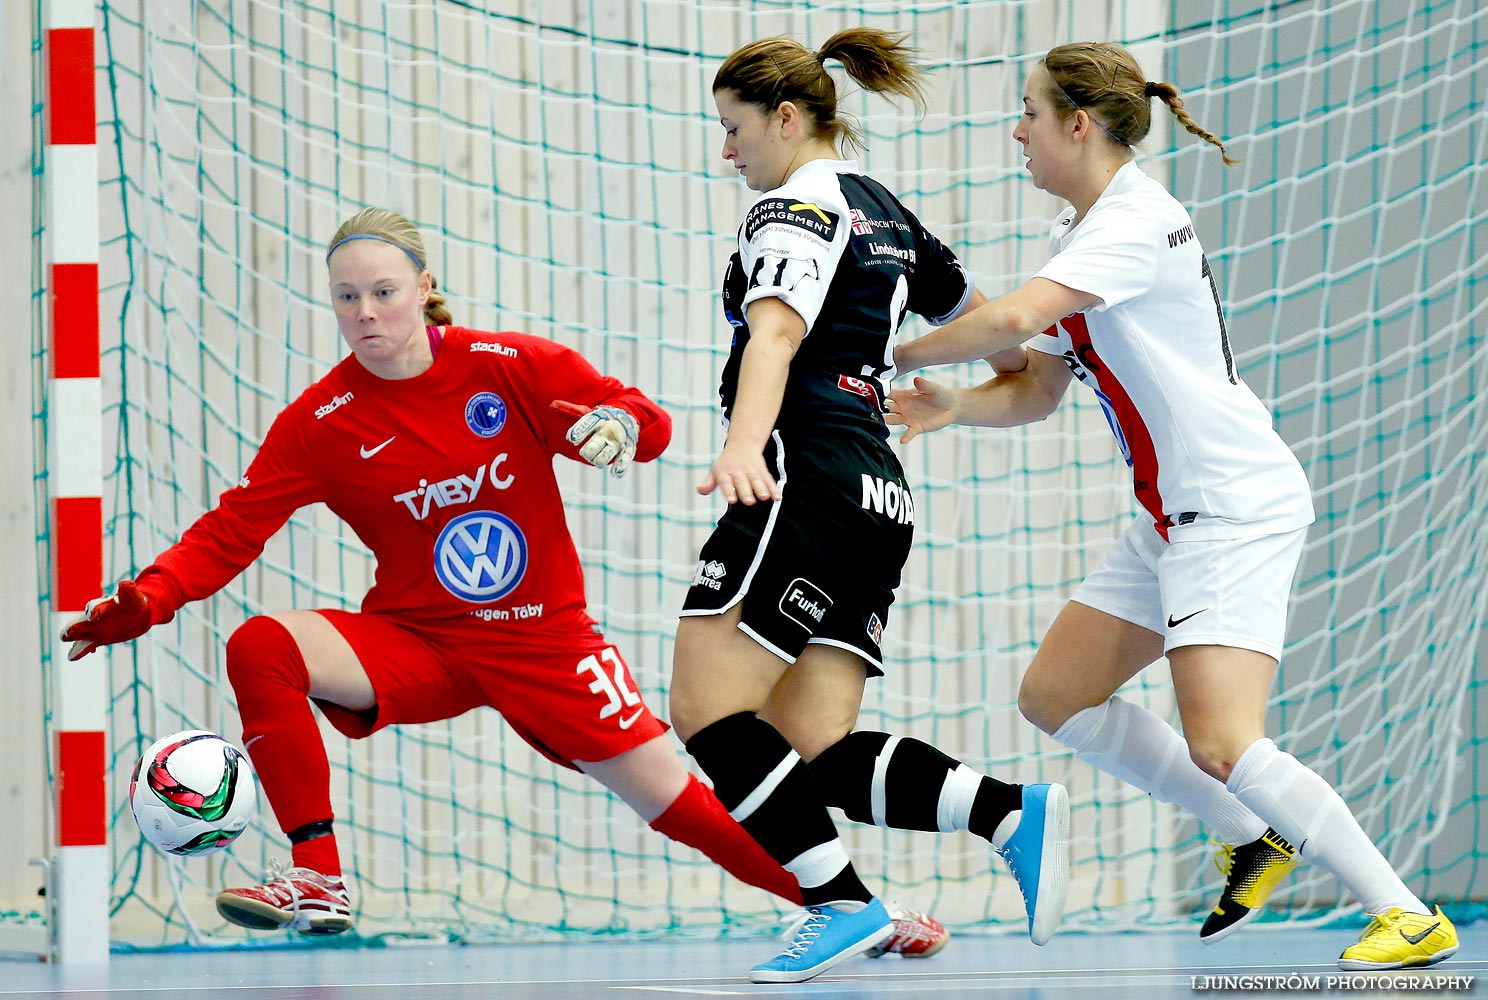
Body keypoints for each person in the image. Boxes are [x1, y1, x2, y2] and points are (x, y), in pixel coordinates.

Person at [60, 207, 949, 955]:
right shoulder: (321, 422)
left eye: (384, 292)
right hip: (419, 643)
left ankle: (855, 912)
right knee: (262, 646)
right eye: (347, 298)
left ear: (421, 286)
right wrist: (150, 598)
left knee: (683, 806)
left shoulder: (506, 366)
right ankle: (318, 876)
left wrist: (617, 429)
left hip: (545, 643)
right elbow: (233, 526)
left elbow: (645, 422)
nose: (367, 312)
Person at [885, 42, 1459, 971]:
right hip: (1170, 519)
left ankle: (1404, 912)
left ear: (1078, 125)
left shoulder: (1135, 220)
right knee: (1056, 697)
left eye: (1029, 111)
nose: (1017, 130)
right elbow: (1033, 387)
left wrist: (898, 353)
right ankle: (1250, 835)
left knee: (1224, 739)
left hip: (1231, 509)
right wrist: (953, 405)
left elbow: (1009, 324)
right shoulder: (1080, 236)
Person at [668, 30, 1070, 985]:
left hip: (798, 478)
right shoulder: (883, 209)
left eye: (734, 130)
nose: (728, 152)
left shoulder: (790, 210)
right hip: (881, 491)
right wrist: (930, 389)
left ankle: (843, 904)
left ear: (788, 119)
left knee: (706, 708)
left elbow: (773, 337)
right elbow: (1006, 344)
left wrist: (737, 450)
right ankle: (1007, 811)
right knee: (813, 750)